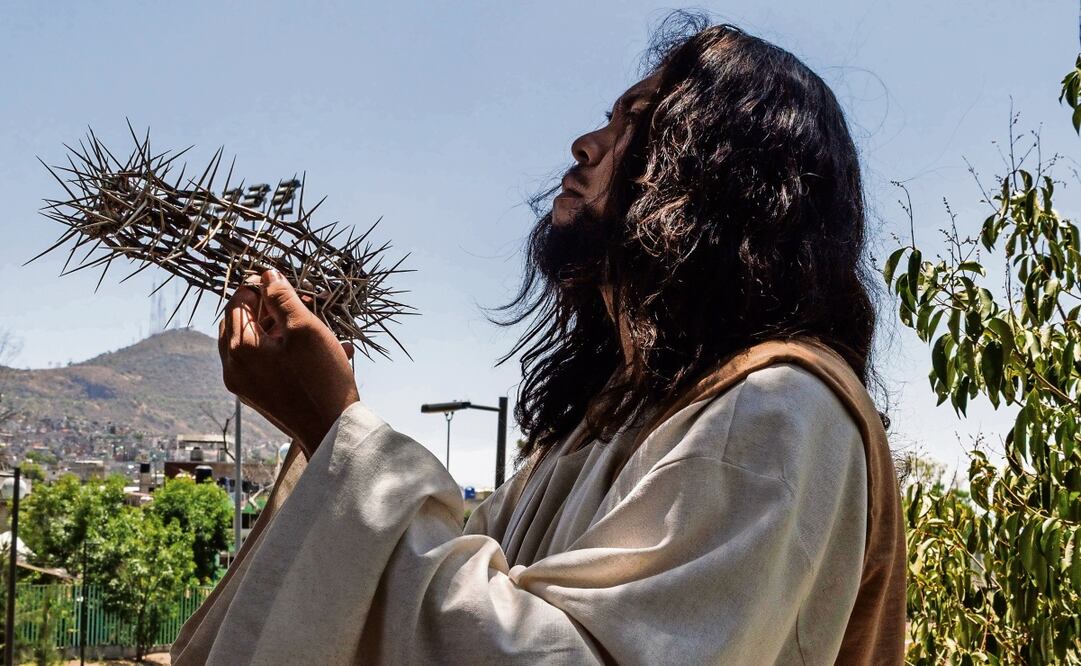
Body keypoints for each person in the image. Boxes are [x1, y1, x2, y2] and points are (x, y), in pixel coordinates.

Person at [172, 14, 905, 665]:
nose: (585, 143)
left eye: (636, 124)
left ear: (721, 170)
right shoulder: (599, 426)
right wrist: (325, 438)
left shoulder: (777, 409)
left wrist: (336, 427)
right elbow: (465, 575)